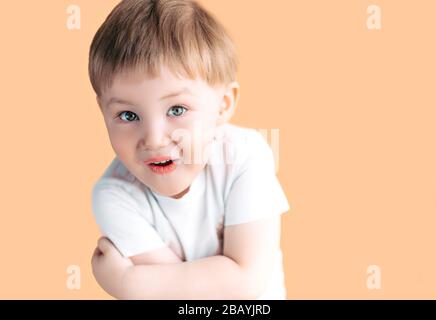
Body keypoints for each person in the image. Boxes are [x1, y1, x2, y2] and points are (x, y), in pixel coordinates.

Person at [89, 0, 290, 299]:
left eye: (177, 109)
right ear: (103, 112)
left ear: (223, 105)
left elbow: (246, 285)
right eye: (128, 116)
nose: (154, 139)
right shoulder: (114, 195)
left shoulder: (245, 156)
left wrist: (129, 284)